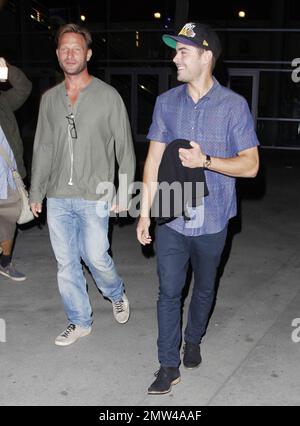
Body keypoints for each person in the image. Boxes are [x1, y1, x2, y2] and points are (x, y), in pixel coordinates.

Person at [137, 22, 259, 394]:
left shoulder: (233, 106)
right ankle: (167, 364)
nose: (175, 58)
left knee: (204, 288)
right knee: (168, 292)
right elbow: (153, 159)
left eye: (183, 51)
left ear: (206, 57)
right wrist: (144, 212)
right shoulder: (166, 102)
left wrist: (206, 161)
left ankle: (193, 340)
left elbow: (250, 165)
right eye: (175, 51)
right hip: (172, 213)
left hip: (213, 217)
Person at [30, 23, 135, 346]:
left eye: (76, 48)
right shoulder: (49, 100)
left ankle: (115, 292)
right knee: (66, 264)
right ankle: (79, 321)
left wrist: (123, 188)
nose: (70, 54)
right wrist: (37, 191)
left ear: (88, 54)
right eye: (64, 49)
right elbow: (43, 147)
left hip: (95, 193)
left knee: (96, 256)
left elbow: (124, 146)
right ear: (58, 55)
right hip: (58, 195)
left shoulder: (108, 96)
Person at [0, 57, 32, 280]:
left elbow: (24, 87)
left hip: (7, 179)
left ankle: (5, 263)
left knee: (9, 223)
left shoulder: (3, 102)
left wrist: (6, 69)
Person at [0, 126, 26, 281]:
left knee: (9, 224)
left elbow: (6, 150)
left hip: (4, 184)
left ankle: (5, 263)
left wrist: (14, 179)